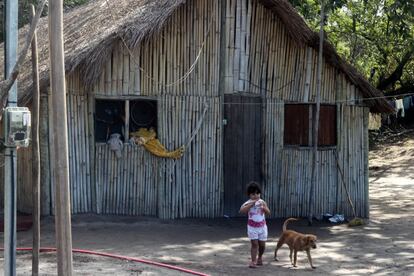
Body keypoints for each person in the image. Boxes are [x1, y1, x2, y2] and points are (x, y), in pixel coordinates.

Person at [240, 181, 271, 268]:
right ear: (249, 195)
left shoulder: (262, 202)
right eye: (253, 194)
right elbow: (241, 211)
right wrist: (250, 205)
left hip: (262, 227)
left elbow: (269, 212)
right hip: (252, 227)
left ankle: (260, 257)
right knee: (254, 244)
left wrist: (264, 208)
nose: (256, 196)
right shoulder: (248, 203)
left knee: (262, 245)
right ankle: (253, 261)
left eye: (258, 193)